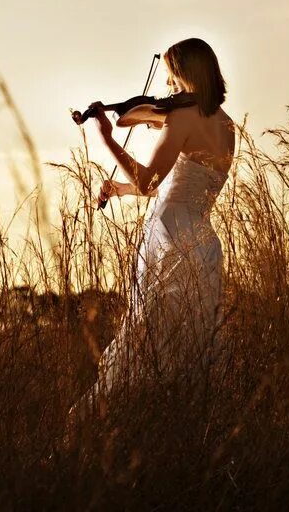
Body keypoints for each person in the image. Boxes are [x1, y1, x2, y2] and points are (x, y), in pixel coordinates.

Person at [70, 37, 235, 425]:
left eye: (171, 79)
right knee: (188, 346)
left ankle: (103, 424)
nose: (167, 89)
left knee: (147, 338)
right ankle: (179, 425)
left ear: (186, 76)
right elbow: (180, 187)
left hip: (169, 240)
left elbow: (148, 182)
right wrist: (121, 189)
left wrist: (108, 138)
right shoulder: (227, 127)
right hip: (202, 242)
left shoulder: (182, 117)